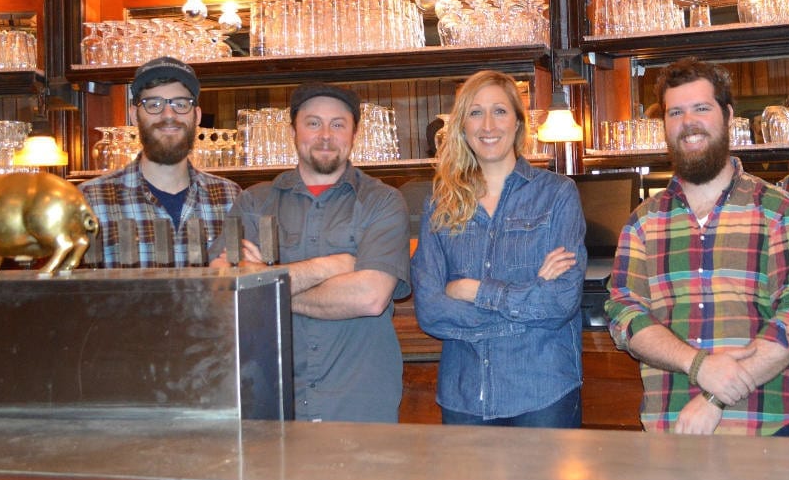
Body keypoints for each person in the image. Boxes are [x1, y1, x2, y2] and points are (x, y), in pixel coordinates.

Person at [605, 57, 789, 436]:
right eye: (676, 112)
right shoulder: (643, 220)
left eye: (701, 108)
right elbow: (624, 314)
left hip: (764, 425)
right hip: (671, 425)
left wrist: (715, 397)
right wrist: (698, 364)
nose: (688, 122)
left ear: (726, 115)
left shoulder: (778, 209)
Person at [209, 82, 411, 423]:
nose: (326, 135)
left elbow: (370, 297)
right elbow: (223, 287)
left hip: (358, 402)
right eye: (313, 123)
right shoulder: (254, 202)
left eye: (338, 124)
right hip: (271, 400)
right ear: (293, 130)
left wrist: (263, 286)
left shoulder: (383, 201)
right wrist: (328, 267)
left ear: (354, 133)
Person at [410, 70, 587, 428]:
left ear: (518, 124)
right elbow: (430, 311)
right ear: (462, 126)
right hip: (465, 395)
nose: (488, 124)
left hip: (542, 392)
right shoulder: (439, 204)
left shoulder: (557, 194)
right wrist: (526, 301)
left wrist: (470, 290)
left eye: (500, 111)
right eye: (475, 112)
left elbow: (560, 303)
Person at [80, 56, 241, 268]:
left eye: (181, 104)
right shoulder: (91, 200)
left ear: (197, 115)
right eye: (154, 104)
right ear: (134, 115)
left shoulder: (231, 197)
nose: (168, 114)